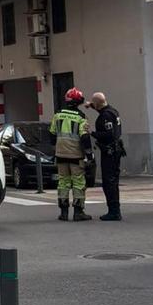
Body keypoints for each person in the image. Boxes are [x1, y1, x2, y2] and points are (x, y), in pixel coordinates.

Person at [48, 88, 93, 221]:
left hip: (61, 154)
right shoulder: (81, 117)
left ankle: (63, 212)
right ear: (79, 101)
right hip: (75, 155)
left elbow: (51, 134)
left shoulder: (57, 115)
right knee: (78, 183)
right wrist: (89, 155)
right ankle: (78, 212)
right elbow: (85, 137)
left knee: (63, 182)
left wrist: (56, 148)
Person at [90, 92, 124, 221]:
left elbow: (109, 134)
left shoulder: (106, 115)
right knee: (112, 181)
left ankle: (114, 211)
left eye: (94, 104)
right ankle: (114, 210)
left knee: (109, 182)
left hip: (110, 152)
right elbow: (100, 107)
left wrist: (92, 133)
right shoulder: (112, 110)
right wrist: (91, 105)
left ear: (97, 104)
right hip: (114, 151)